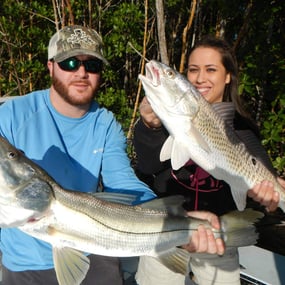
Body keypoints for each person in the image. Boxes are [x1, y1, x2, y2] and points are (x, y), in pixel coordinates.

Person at [0, 26, 227, 285]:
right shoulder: (11, 115)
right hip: (25, 261)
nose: (81, 72)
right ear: (50, 67)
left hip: (98, 246)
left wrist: (175, 217)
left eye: (92, 65)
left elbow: (122, 182)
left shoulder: (105, 123)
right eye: (70, 62)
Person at [133, 35, 283, 285]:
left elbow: (260, 189)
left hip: (218, 238)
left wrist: (268, 199)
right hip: (166, 233)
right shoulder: (165, 118)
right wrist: (149, 126)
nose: (200, 78)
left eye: (211, 70)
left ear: (227, 77)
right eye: (193, 70)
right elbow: (149, 167)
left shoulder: (243, 130)